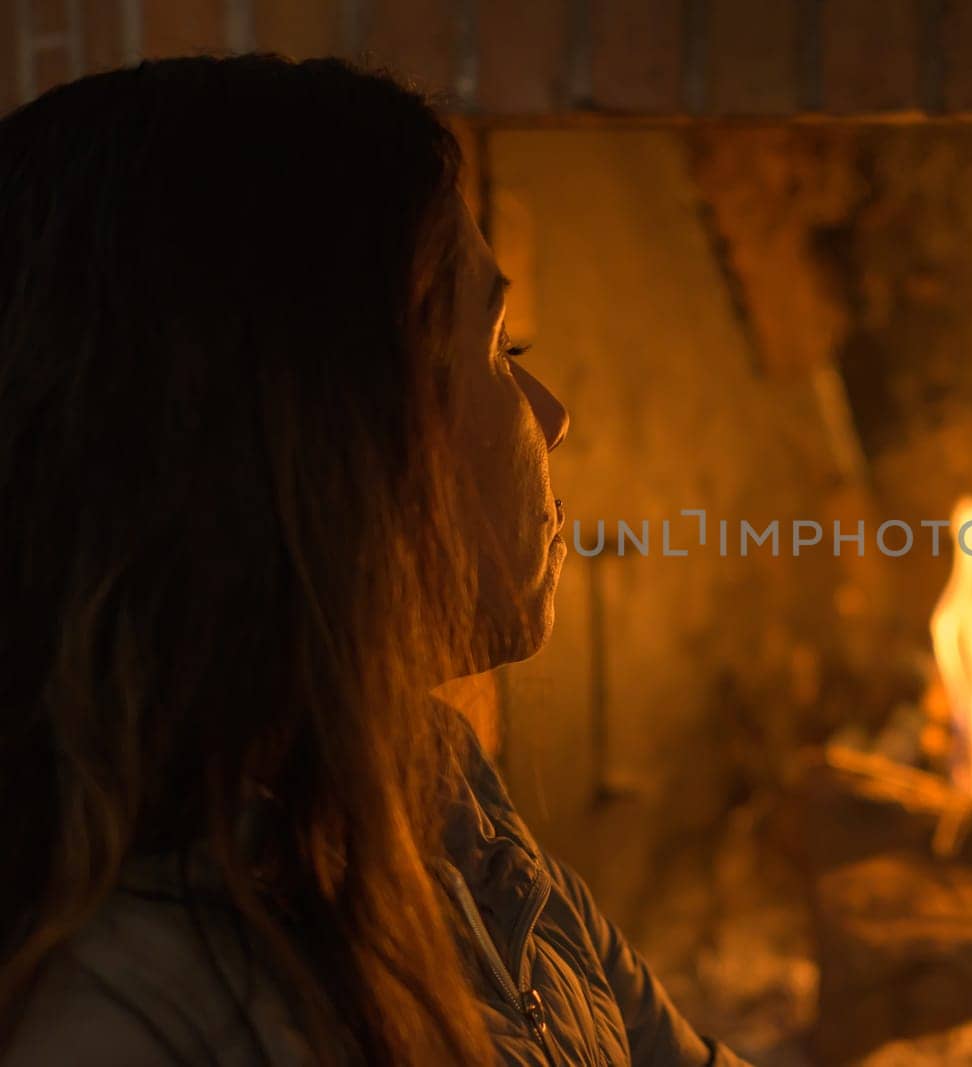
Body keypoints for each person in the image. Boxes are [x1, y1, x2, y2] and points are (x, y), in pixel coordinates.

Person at [0, 55, 747, 1066]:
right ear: (328, 443)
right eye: (501, 350)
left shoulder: (442, 814)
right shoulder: (119, 1016)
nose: (554, 419)